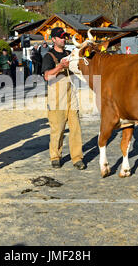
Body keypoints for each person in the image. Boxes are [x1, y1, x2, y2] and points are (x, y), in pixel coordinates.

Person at [41, 27, 85, 170]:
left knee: (76, 129)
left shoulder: (68, 54)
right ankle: (55, 157)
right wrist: (60, 66)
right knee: (57, 130)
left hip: (71, 96)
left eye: (64, 37)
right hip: (56, 99)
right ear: (53, 39)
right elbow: (47, 76)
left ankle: (77, 158)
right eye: (60, 37)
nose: (63, 39)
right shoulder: (48, 56)